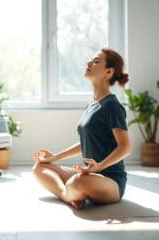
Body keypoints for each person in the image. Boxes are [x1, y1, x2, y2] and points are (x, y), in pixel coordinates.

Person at [32, 48, 132, 209]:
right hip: (89, 175)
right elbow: (87, 142)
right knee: (39, 167)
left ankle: (68, 193)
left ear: (108, 72)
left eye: (96, 61)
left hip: (110, 181)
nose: (88, 62)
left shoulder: (112, 106)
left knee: (77, 182)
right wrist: (54, 158)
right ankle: (69, 195)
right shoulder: (93, 104)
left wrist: (99, 167)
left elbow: (125, 148)